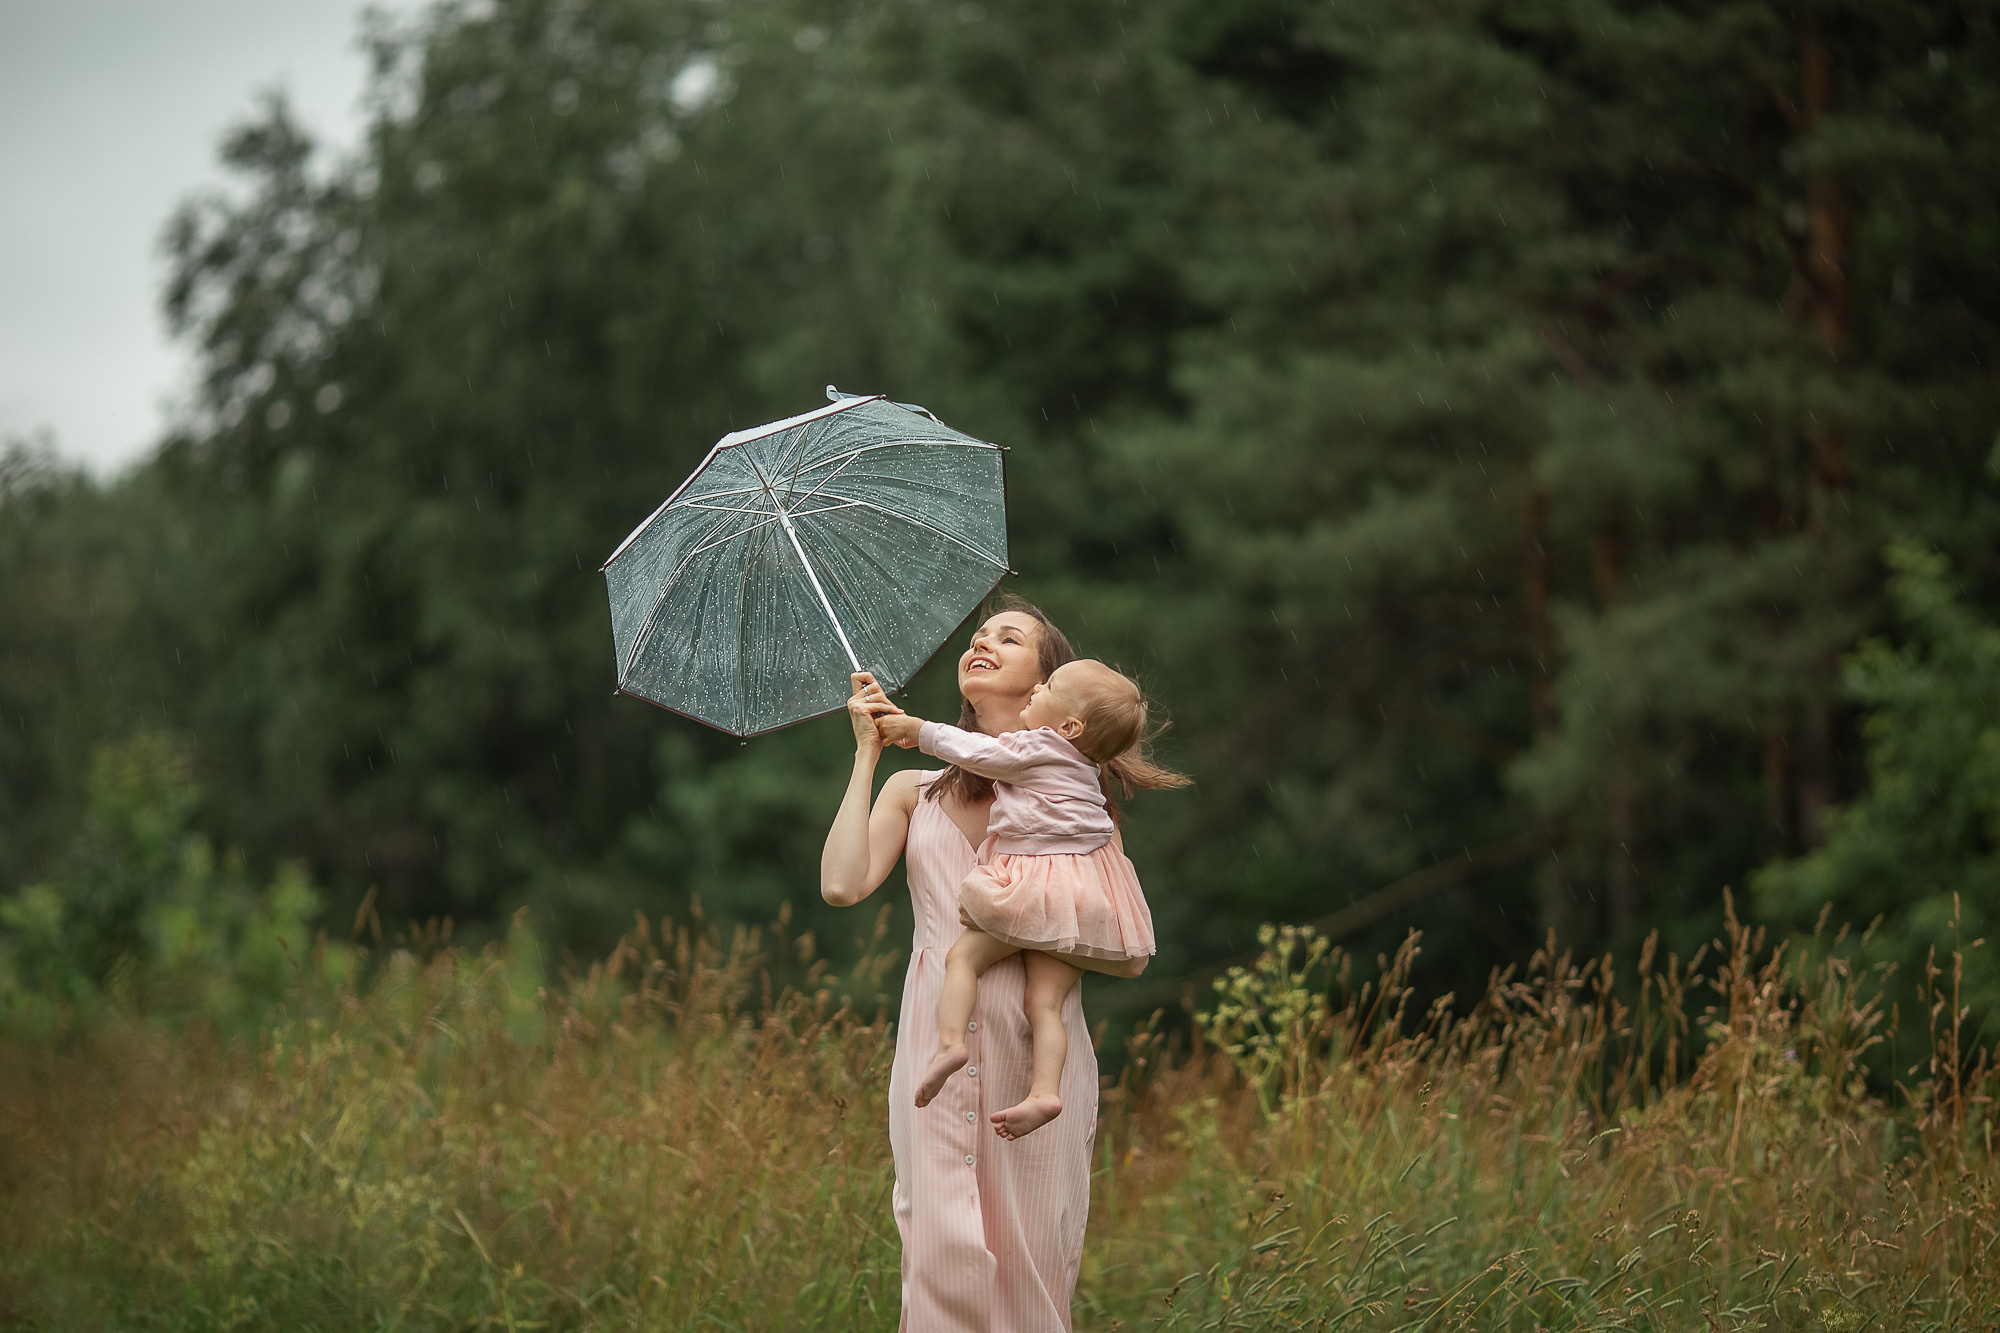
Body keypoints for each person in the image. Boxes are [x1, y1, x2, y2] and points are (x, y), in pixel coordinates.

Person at [820, 600, 1146, 1333]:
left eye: (1010, 636)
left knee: (1030, 1264)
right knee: (937, 1259)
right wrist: (868, 754)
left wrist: (1020, 919)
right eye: (978, 635)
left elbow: (1111, 933)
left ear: (1048, 681)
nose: (983, 642)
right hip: (939, 1040)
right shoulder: (918, 790)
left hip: (1038, 1050)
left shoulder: (1076, 801)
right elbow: (841, 885)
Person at [873, 659, 1184, 1140]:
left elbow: (980, 753)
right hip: (1081, 902)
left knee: (962, 959)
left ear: (1070, 726)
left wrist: (919, 731)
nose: (1039, 687)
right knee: (1046, 1002)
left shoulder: (1041, 748)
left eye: (1050, 685)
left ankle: (950, 1044)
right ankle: (1045, 1091)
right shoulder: (1086, 771)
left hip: (1034, 888)